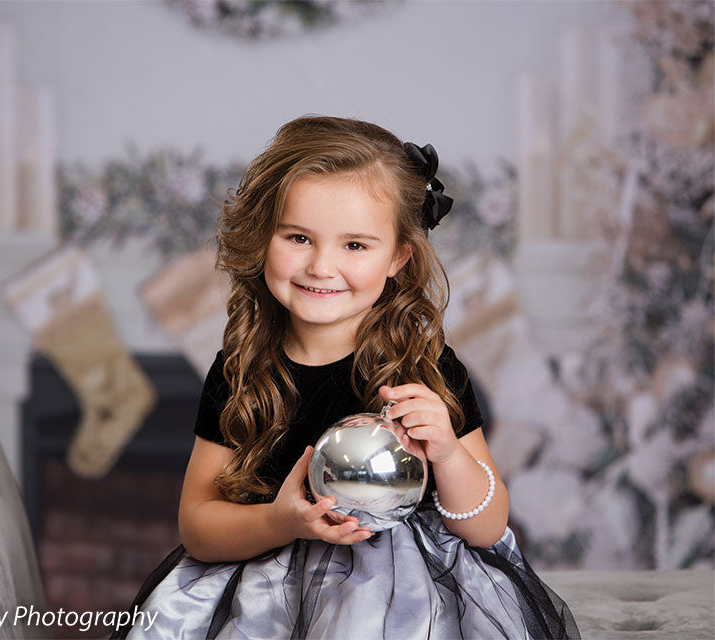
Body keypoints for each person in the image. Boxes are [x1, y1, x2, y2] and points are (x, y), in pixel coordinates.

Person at [115, 115, 579, 639]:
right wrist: (279, 522)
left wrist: (449, 454)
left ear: (398, 257)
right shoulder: (240, 370)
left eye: (354, 245)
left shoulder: (426, 367)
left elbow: (487, 527)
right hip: (265, 599)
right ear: (262, 237)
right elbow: (198, 527)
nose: (321, 266)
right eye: (298, 237)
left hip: (406, 604)